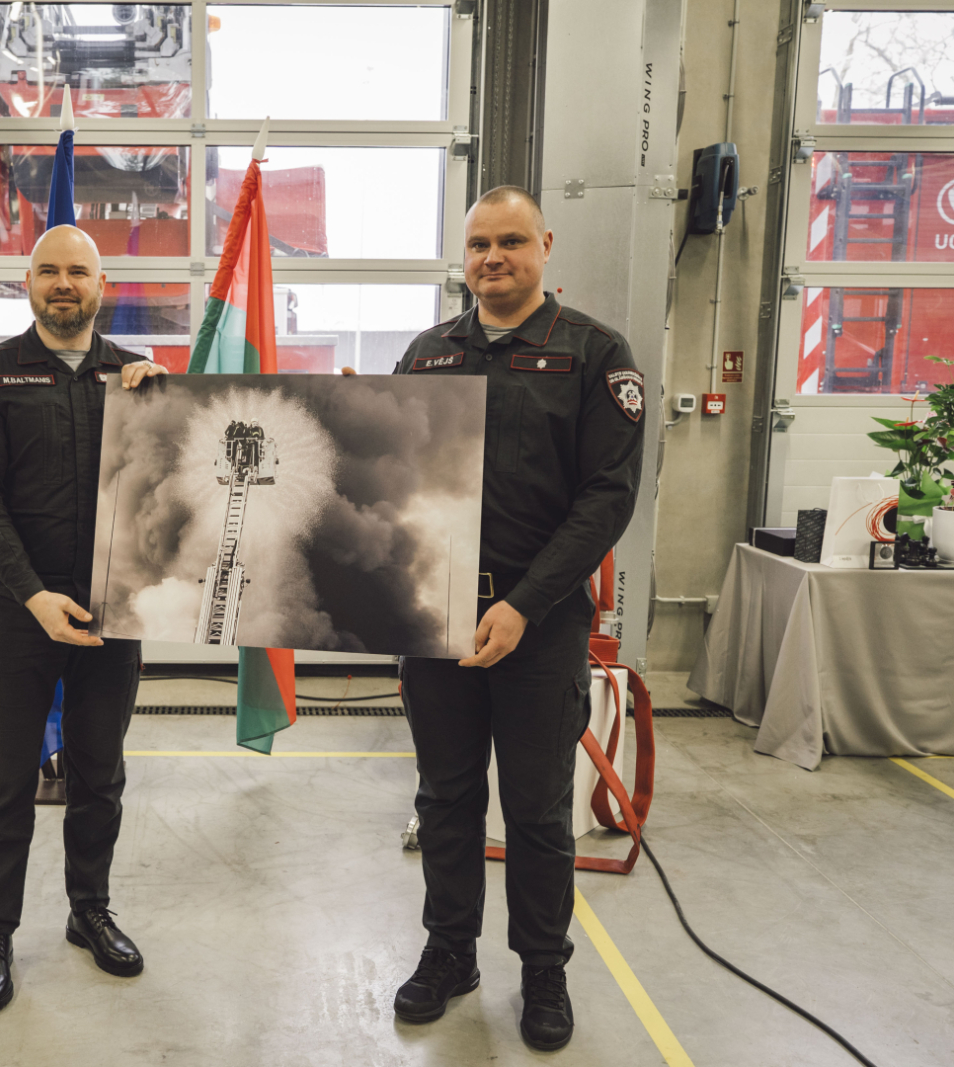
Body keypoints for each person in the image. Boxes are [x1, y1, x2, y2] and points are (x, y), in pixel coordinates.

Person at [389, 185, 645, 1049]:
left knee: (536, 812)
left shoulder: (593, 355)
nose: (492, 258)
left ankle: (543, 972)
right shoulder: (426, 356)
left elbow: (606, 500)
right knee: (447, 798)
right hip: (438, 616)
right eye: (477, 246)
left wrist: (526, 606)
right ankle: (449, 953)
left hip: (539, 624)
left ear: (545, 245)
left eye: (509, 241)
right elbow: (394, 488)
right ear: (463, 258)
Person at [0, 224, 168, 1014]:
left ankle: (89, 909)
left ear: (101, 284)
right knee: (4, 784)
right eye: (50, 270)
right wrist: (33, 594)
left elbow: (180, 485)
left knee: (99, 776)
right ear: (28, 283)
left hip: (114, 614)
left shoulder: (136, 378)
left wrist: (172, 405)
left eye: (79, 270)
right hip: (18, 616)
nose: (64, 283)